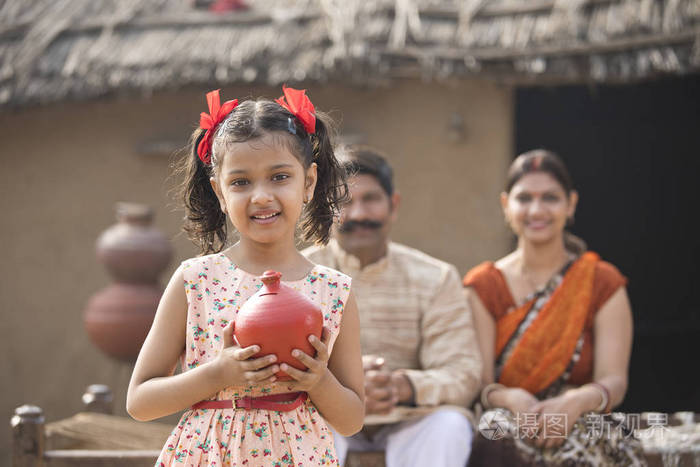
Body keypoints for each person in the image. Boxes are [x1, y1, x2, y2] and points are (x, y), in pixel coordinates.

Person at [126, 86, 364, 466]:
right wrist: (217, 373)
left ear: (309, 182)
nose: (261, 196)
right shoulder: (195, 281)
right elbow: (139, 401)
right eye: (240, 182)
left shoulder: (333, 291)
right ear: (219, 191)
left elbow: (351, 420)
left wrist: (318, 381)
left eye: (279, 177)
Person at [463, 149, 646, 466]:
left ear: (570, 203)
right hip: (509, 421)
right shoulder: (484, 285)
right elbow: (478, 382)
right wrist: (511, 399)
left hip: (582, 419)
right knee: (492, 438)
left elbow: (614, 380)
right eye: (524, 198)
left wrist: (576, 401)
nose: (537, 210)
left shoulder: (601, 283)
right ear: (506, 204)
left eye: (550, 198)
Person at [303, 145, 482, 467]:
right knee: (297, 424)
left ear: (393, 205)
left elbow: (464, 373)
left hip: (410, 418)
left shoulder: (435, 278)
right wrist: (344, 387)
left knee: (450, 426)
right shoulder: (300, 275)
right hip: (324, 413)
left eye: (370, 200)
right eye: (344, 201)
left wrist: (402, 386)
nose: (358, 215)